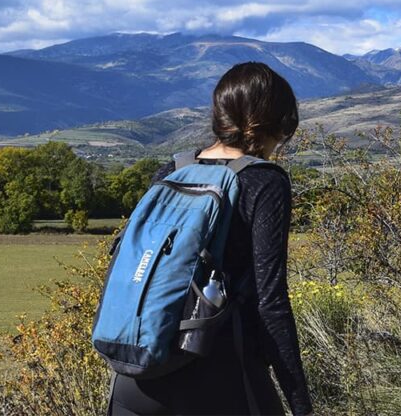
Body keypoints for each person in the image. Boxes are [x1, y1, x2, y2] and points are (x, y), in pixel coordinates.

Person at [107, 62, 313, 416]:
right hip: (219, 374)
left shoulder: (172, 171)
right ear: (274, 123)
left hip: (136, 375)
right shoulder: (264, 182)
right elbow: (271, 302)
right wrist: (300, 402)